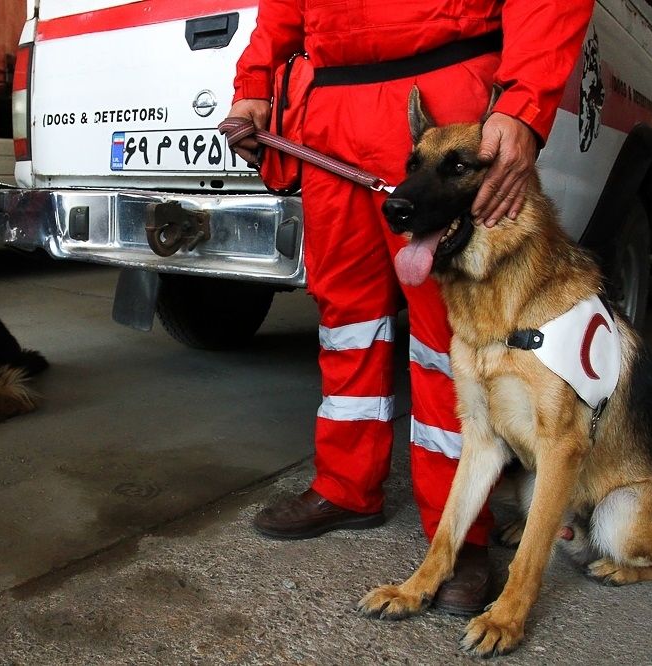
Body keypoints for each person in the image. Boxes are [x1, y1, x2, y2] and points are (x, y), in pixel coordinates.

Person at [226, 0, 594, 614]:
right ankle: (346, 487)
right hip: (333, 106)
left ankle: (461, 534)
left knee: (450, 331)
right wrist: (254, 85)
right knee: (347, 316)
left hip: (448, 95)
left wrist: (524, 104)